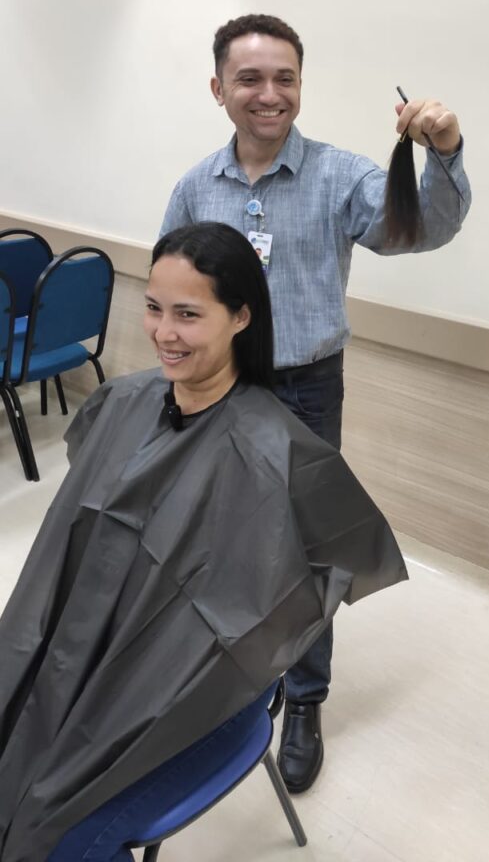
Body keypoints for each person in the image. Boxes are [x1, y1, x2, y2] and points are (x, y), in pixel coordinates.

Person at [0, 223, 407, 862]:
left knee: (53, 836)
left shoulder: (280, 455)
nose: (164, 332)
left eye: (188, 314)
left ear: (241, 316)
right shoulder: (120, 403)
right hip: (77, 651)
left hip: (181, 689)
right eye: (154, 308)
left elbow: (288, 596)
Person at [160, 13, 472, 792]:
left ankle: (304, 697)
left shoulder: (340, 176)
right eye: (250, 78)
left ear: (300, 86)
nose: (269, 93)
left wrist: (444, 152)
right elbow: (172, 295)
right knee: (224, 536)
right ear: (219, 89)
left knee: (305, 549)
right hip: (219, 388)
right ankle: (235, 678)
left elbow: (421, 228)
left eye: (285, 78)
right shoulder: (196, 187)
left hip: (306, 387)